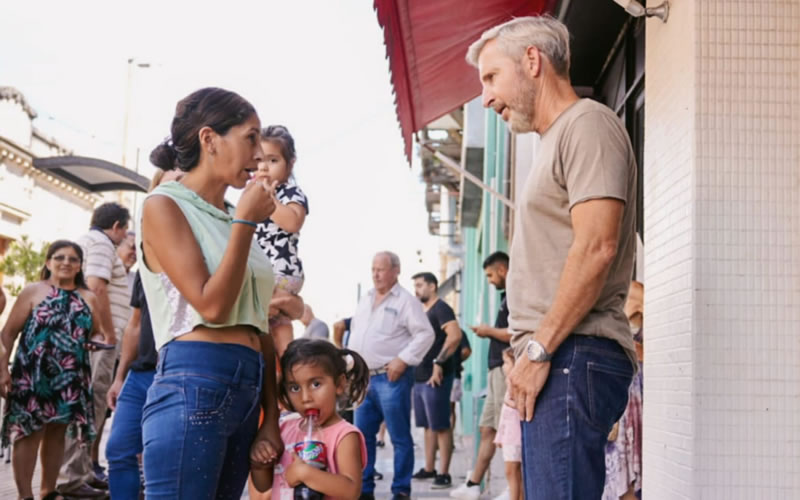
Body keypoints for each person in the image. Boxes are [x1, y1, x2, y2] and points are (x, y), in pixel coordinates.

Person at [467, 16, 638, 499]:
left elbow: (597, 246)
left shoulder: (587, 124)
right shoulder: (556, 139)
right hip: (560, 356)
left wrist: (539, 349)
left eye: (491, 77)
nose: (486, 98)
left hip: (570, 354)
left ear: (532, 61)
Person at [138, 87, 283, 498]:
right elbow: (212, 305)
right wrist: (246, 224)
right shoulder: (164, 205)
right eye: (250, 137)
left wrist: (270, 417)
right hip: (194, 377)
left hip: (247, 386)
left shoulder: (234, 215)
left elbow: (259, 323)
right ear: (209, 139)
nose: (260, 154)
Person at [0, 240, 110, 500]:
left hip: (70, 377)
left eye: (73, 259)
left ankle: (48, 491)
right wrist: (2, 370)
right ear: (48, 262)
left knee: (58, 432)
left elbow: (98, 332)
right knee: (29, 431)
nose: (66, 263)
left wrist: (95, 342)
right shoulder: (33, 291)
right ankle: (24, 495)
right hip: (32, 374)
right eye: (59, 257)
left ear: (80, 266)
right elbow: (8, 333)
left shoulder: (89, 297)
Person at [104, 168, 184, 500]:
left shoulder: (199, 254)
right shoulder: (145, 266)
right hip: (140, 375)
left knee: (162, 463)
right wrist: (120, 376)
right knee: (118, 450)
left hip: (178, 373)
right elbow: (135, 324)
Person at [348, 251, 435, 500]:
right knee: (362, 437)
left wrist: (403, 359)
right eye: (373, 269)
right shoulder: (365, 299)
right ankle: (365, 490)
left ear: (396, 271)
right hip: (363, 379)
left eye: (381, 269)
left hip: (391, 378)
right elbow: (356, 334)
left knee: (399, 438)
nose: (375, 274)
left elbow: (425, 334)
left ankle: (401, 490)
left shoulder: (406, 301)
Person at [60, 202, 132, 498]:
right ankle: (72, 479)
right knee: (89, 406)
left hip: (87, 338)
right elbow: (96, 286)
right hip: (98, 341)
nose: (125, 236)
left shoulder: (86, 240)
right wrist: (108, 333)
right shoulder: (102, 244)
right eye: (125, 230)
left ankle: (80, 474)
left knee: (86, 407)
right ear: (116, 226)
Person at [250, 339, 368, 498]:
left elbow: (351, 491)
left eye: (316, 384)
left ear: (339, 384)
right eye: (295, 388)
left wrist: (305, 474)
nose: (305, 398)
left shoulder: (344, 435)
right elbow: (263, 485)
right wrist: (260, 464)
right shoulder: (284, 428)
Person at [451, 251, 511, 500]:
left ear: (502, 270)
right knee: (488, 429)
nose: (489, 281)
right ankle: (473, 484)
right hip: (495, 371)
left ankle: (513, 488)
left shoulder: (516, 295)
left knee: (508, 431)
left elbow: (516, 333)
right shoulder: (506, 296)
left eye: (489, 275)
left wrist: (488, 331)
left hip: (505, 370)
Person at [254, 125, 309, 357]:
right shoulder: (253, 193)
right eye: (259, 160)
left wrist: (270, 199)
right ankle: (287, 369)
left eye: (273, 160)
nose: (264, 167)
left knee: (260, 324)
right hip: (267, 270)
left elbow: (293, 222)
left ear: (290, 163)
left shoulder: (290, 192)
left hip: (280, 271)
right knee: (280, 330)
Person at [410, 272, 462, 489]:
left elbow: (455, 336)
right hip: (419, 376)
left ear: (432, 286)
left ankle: (444, 473)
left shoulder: (441, 308)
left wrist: (439, 362)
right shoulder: (422, 311)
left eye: (420, 285)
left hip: (436, 377)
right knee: (427, 426)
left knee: (441, 425)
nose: (416, 290)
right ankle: (430, 468)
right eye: (415, 286)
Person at [602, 281, 644, 500]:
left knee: (627, 466)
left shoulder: (636, 291)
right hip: (610, 382)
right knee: (612, 464)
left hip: (633, 386)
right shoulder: (603, 291)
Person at [493, 348, 522, 500]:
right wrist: (500, 436)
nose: (503, 367)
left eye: (506, 363)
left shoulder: (517, 387)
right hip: (510, 437)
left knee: (512, 471)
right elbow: (505, 416)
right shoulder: (509, 386)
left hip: (516, 438)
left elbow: (513, 410)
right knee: (513, 472)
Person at [450, 332, 472, 431]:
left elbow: (466, 351)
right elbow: (466, 351)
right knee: (450, 409)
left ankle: (447, 436)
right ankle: (449, 435)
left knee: (447, 410)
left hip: (452, 375)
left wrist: (455, 361)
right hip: (453, 375)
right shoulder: (459, 332)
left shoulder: (458, 332)